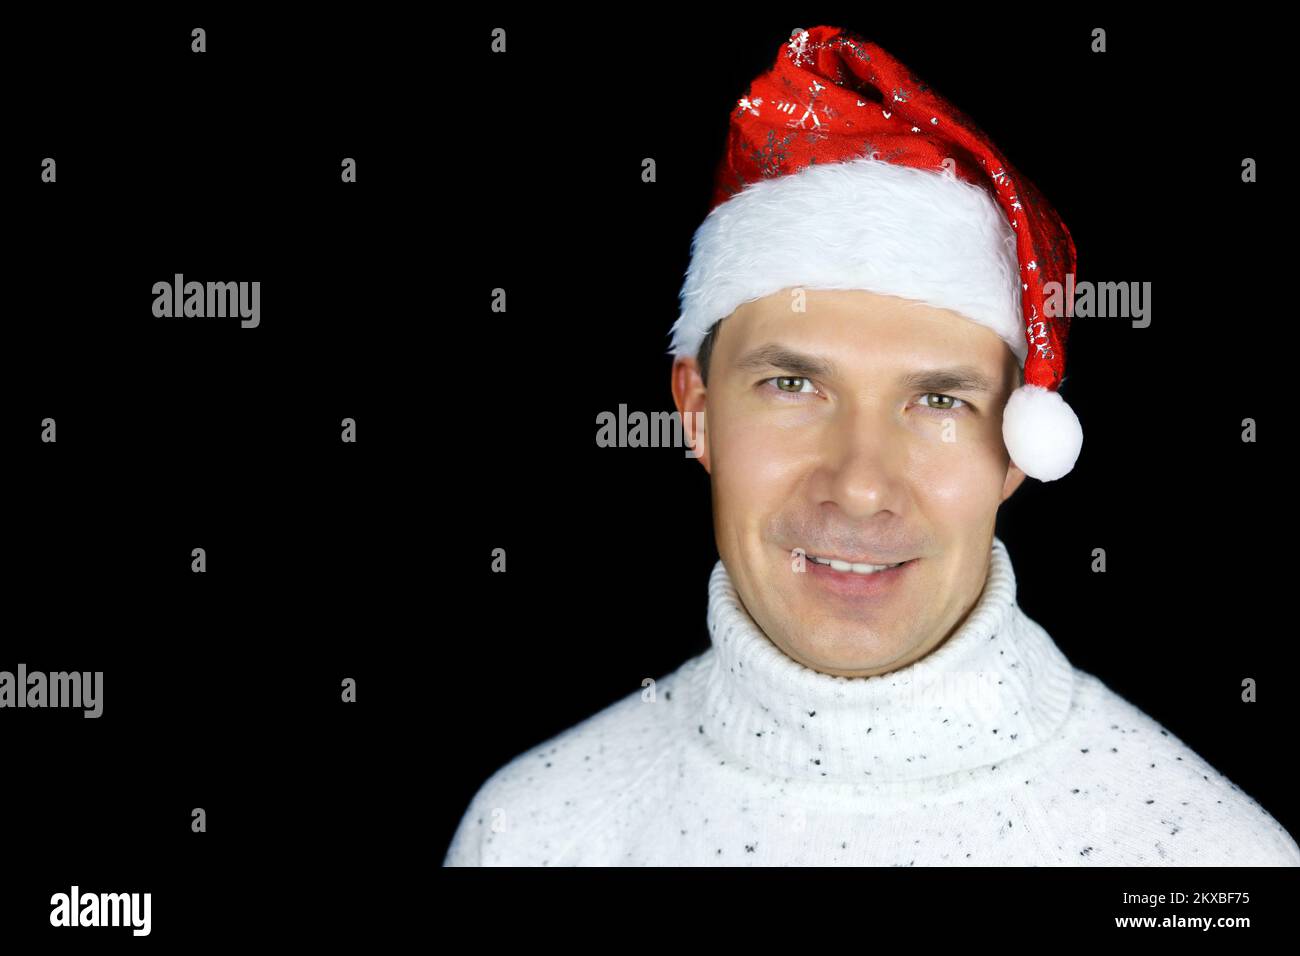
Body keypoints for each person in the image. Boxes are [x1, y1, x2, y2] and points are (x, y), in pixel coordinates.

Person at [443, 25, 1299, 866]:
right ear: (695, 413)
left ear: (1014, 450)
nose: (858, 487)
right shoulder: (532, 833)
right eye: (794, 387)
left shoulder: (1200, 860)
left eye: (937, 400)